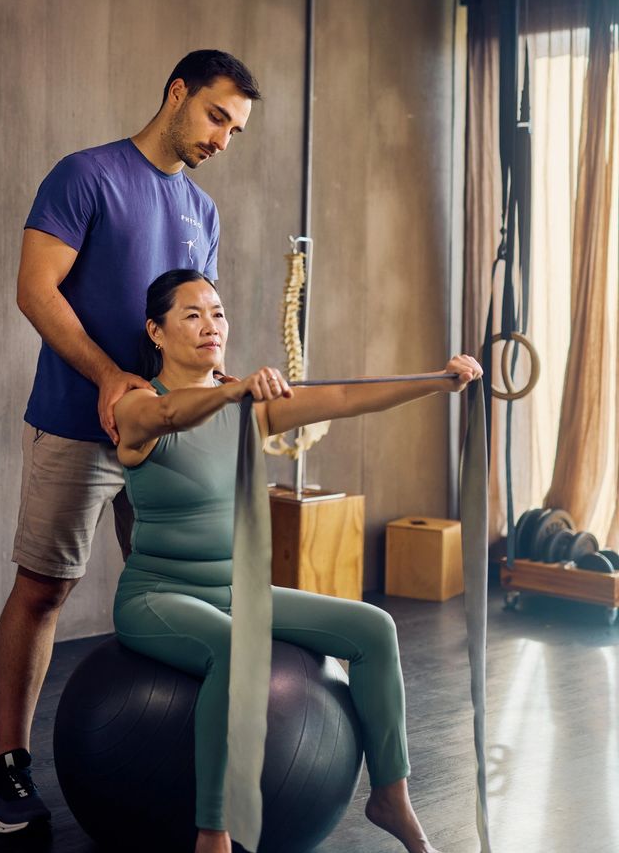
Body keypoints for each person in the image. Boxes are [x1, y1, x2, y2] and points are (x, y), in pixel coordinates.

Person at [0, 51, 262, 834]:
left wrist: (230, 395)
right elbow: (34, 288)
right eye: (215, 117)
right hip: (78, 419)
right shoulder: (85, 175)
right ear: (177, 94)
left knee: (185, 592)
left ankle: (184, 768)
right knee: (44, 589)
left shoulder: (202, 212)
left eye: (235, 129)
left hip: (167, 436)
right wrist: (109, 376)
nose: (223, 139)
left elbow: (195, 329)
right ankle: (7, 767)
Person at [113, 268, 483, 853]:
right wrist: (230, 391)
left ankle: (391, 796)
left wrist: (436, 382)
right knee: (236, 652)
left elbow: (342, 397)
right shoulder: (136, 404)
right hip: (159, 596)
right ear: (156, 332)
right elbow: (171, 416)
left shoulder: (250, 409)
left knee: (373, 627)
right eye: (192, 315)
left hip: (236, 590)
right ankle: (213, 833)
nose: (212, 325)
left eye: (218, 312)